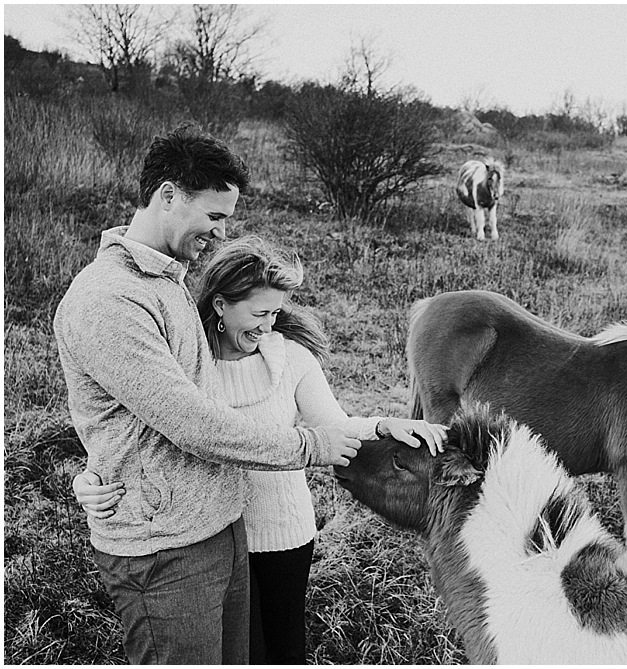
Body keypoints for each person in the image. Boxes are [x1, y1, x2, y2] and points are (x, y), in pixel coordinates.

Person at [53, 124, 444, 665]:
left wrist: (377, 427)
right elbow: (187, 420)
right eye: (213, 217)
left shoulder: (168, 282)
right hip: (165, 548)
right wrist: (310, 447)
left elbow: (139, 411)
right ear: (167, 195)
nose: (218, 235)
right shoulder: (108, 300)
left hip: (216, 529)